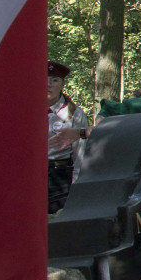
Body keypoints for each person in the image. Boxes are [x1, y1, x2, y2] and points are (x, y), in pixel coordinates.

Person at [47, 60, 89, 214]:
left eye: (55, 80)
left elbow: (81, 155)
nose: (48, 84)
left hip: (60, 176)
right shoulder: (27, 111)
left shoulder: (74, 114)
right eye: (44, 79)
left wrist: (77, 188)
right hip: (31, 175)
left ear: (62, 85)